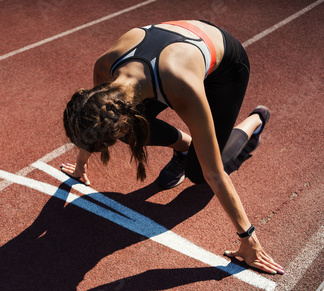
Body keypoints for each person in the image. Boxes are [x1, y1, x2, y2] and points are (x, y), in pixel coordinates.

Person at [61, 20, 284, 275]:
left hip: (224, 68)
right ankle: (185, 147)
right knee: (130, 133)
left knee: (200, 173)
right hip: (170, 56)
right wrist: (80, 166)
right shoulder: (104, 68)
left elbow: (215, 175)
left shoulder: (181, 87)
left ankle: (256, 119)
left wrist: (249, 240)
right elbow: (94, 121)